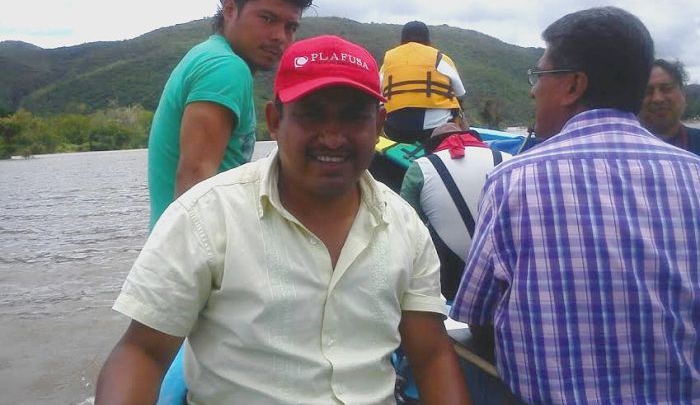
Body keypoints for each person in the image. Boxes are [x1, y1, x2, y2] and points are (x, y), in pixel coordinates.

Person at [96, 35, 471, 405]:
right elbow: (142, 353)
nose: (333, 137)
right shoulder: (206, 216)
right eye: (311, 115)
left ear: (378, 125)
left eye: (354, 117)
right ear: (274, 121)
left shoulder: (405, 225)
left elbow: (431, 356)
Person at [450, 6, 700, 403]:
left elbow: (476, 317)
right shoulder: (694, 175)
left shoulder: (514, 180)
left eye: (539, 76)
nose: (533, 90)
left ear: (573, 87)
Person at [147, 0, 314, 229]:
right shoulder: (225, 69)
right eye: (267, 18)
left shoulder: (208, 56)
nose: (280, 37)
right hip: (191, 256)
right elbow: (194, 179)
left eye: (290, 27)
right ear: (229, 9)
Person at [400, 121, 511, 300]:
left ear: (432, 145)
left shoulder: (421, 167)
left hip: (451, 278)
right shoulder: (508, 158)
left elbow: (405, 224)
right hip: (509, 270)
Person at [380, 20, 466, 144]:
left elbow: (377, 92)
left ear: (402, 40)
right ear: (428, 40)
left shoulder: (387, 62)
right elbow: (460, 92)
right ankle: (465, 143)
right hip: (436, 129)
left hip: (395, 129)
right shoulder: (440, 58)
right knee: (458, 104)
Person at [638, 58, 700, 156]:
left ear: (683, 95)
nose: (657, 98)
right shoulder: (621, 148)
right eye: (647, 91)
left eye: (666, 89)